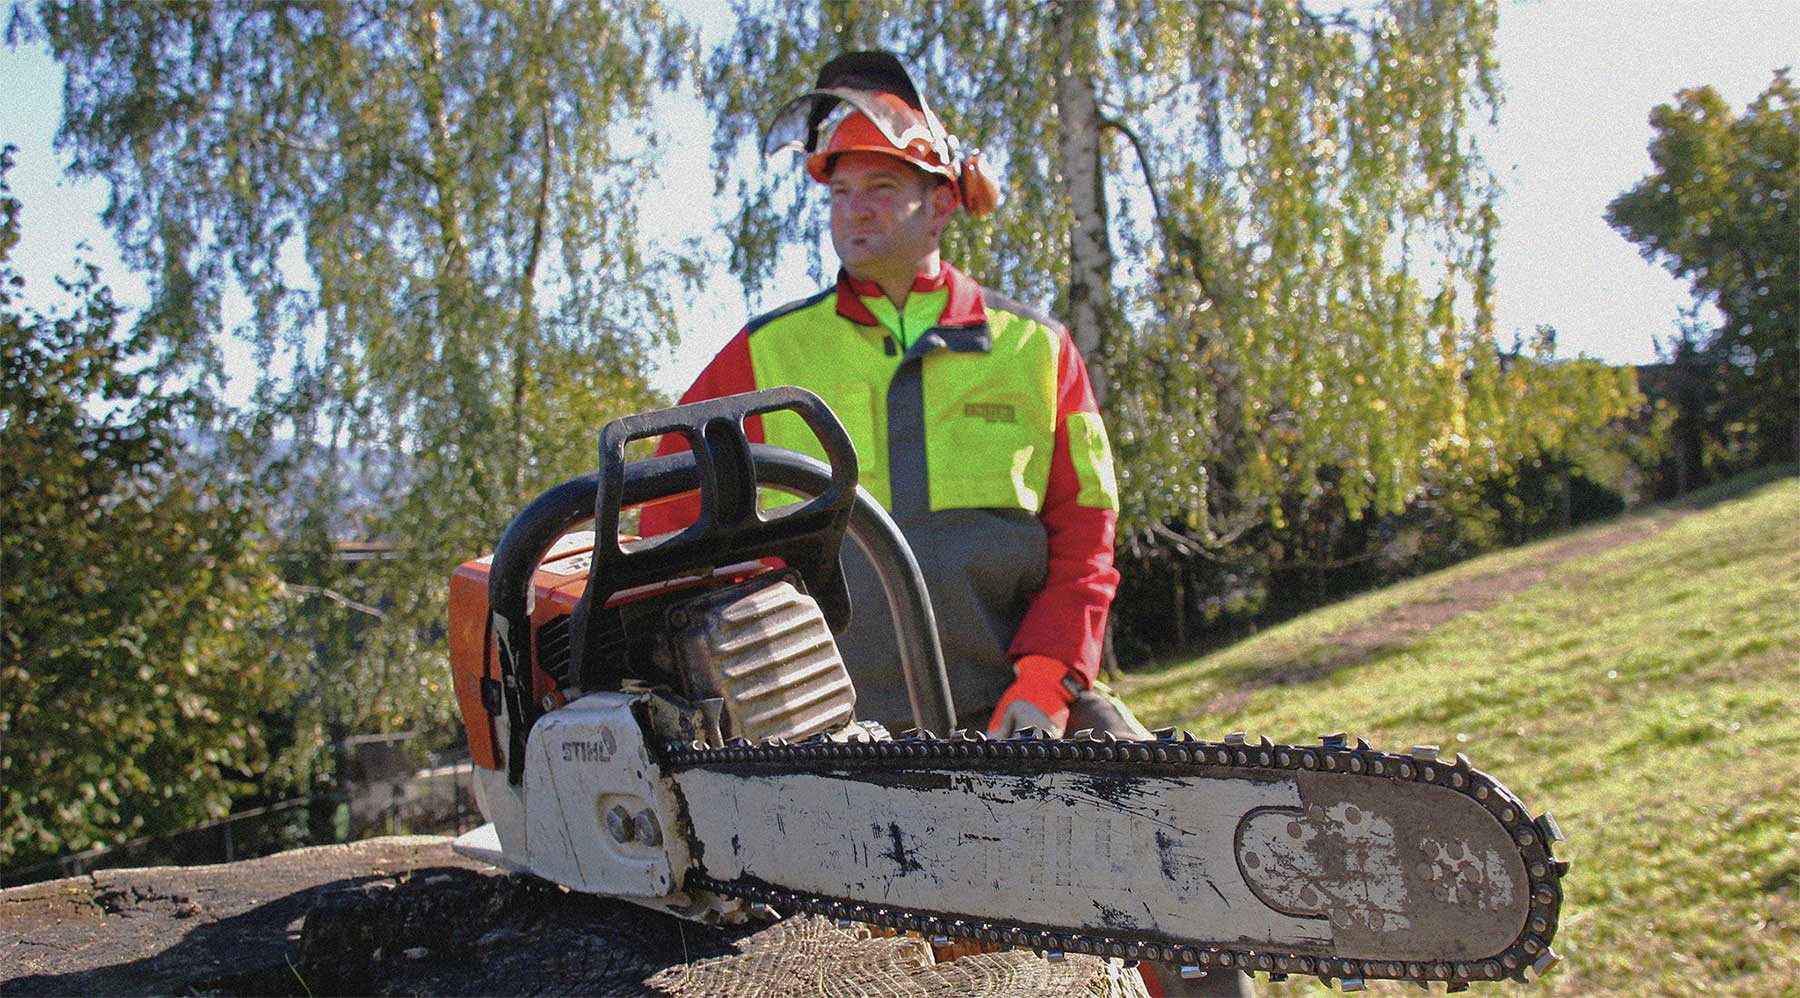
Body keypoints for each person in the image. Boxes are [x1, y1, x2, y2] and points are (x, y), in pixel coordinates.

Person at [641, 50, 1251, 998]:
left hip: (1008, 709)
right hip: (828, 744)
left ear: (944, 200)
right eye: (840, 191)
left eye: (881, 186)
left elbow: (1086, 542)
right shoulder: (765, 352)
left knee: (1175, 876)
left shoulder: (1036, 351)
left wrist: (1046, 682)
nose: (855, 209)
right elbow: (665, 511)